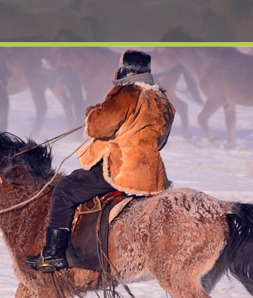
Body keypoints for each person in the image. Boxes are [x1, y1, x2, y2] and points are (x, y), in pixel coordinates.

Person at [26, 49, 176, 273]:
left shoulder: (127, 93)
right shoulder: (162, 101)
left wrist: (94, 113)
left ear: (126, 69)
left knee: (64, 190)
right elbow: (160, 141)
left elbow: (99, 127)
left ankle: (54, 254)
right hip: (152, 175)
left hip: (122, 170)